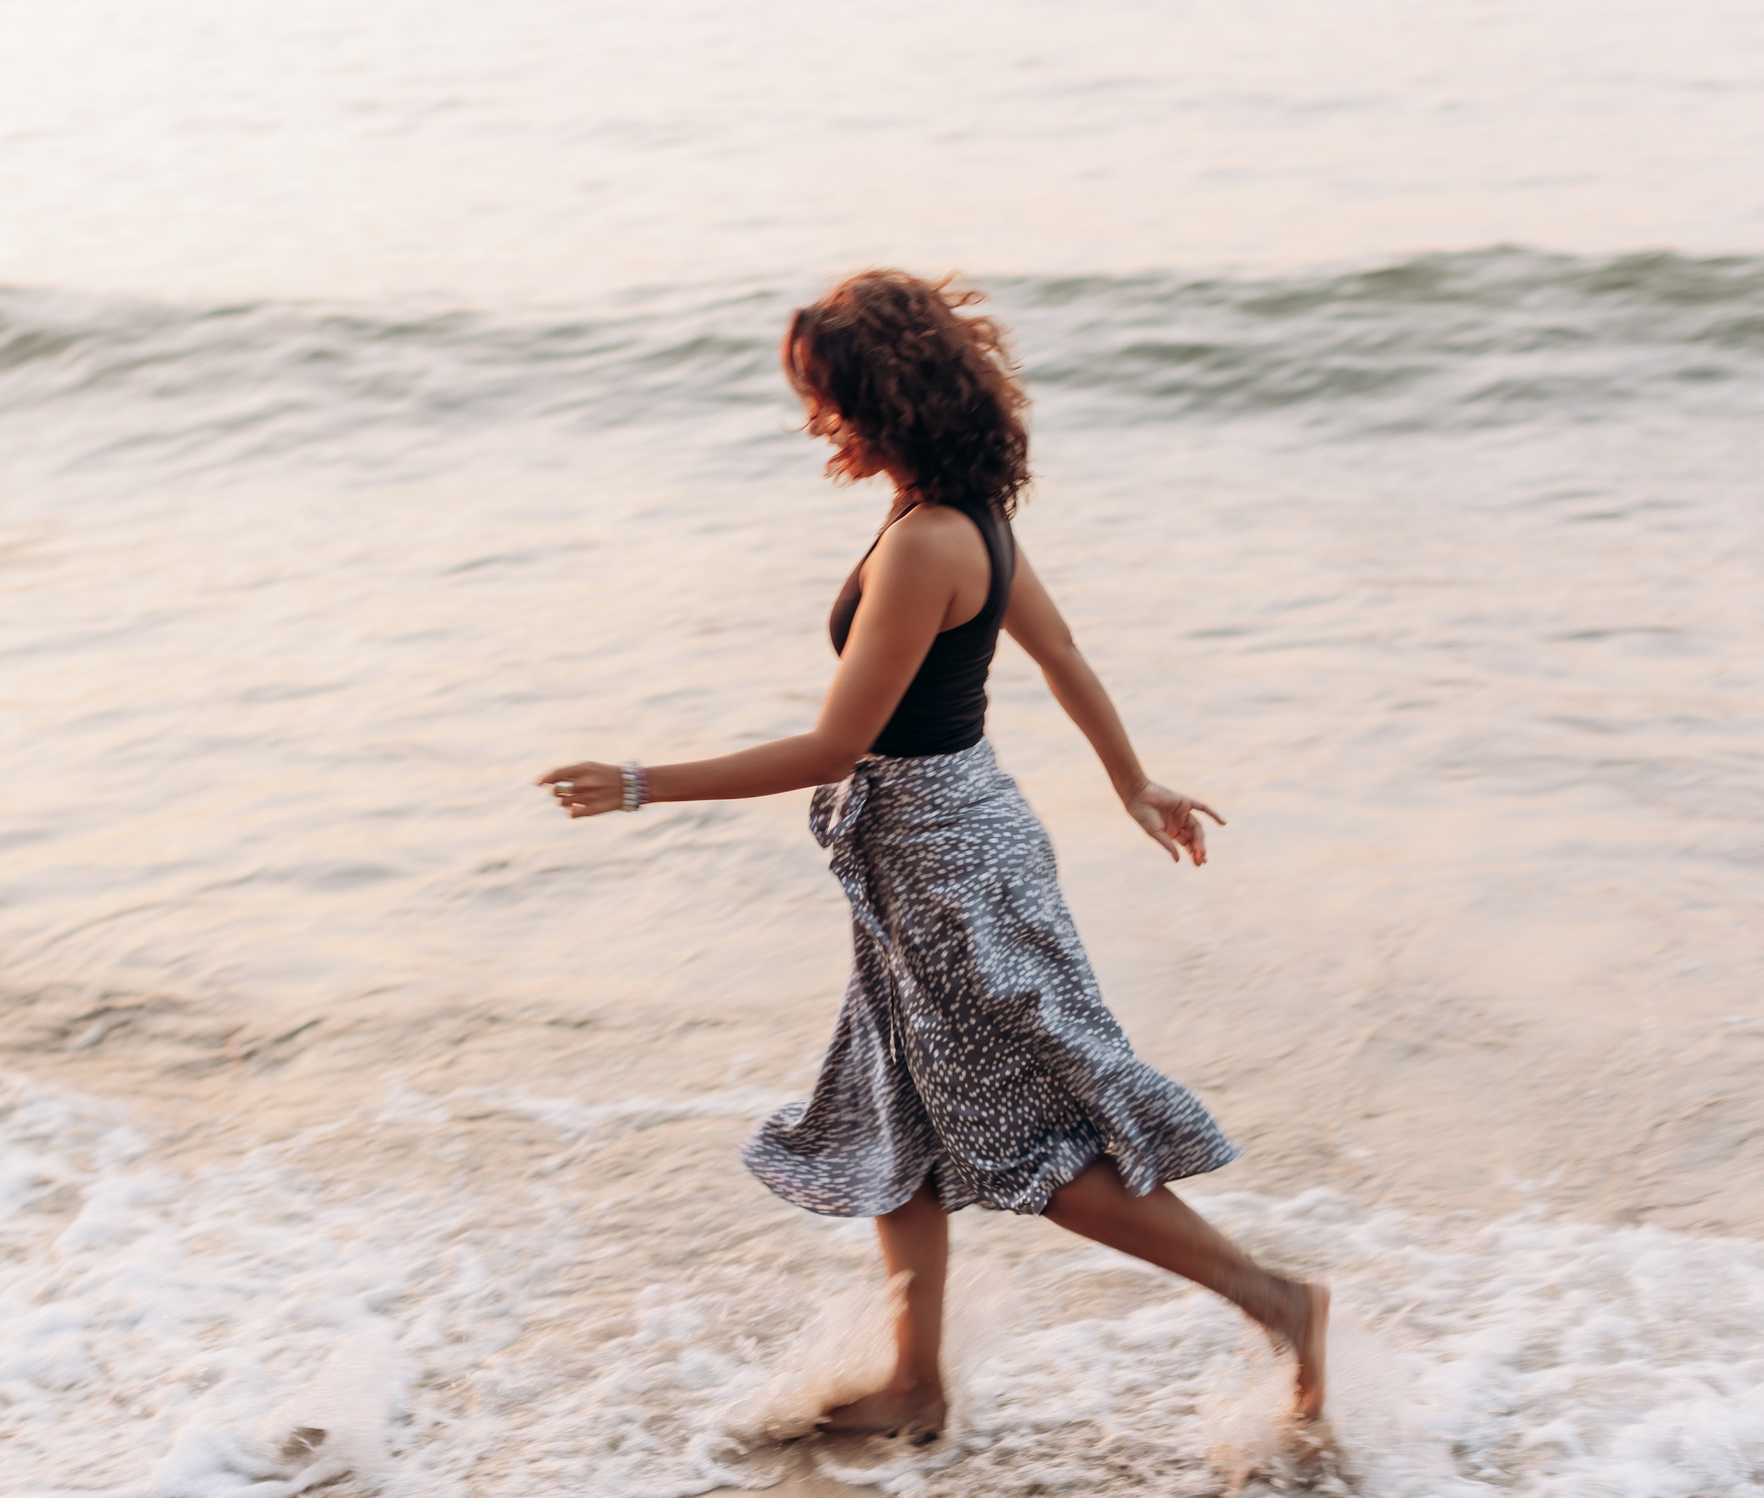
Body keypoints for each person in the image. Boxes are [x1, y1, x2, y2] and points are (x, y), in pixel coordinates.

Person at [536, 269, 1327, 1438]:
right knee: (891, 1110)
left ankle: (1278, 1303)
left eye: (824, 398)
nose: (815, 421)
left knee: (1030, 1145)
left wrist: (645, 783)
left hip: (944, 868)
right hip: (938, 852)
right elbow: (1058, 654)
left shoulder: (924, 546)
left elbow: (836, 743)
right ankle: (916, 1384)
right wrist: (1131, 782)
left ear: (880, 402)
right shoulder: (967, 521)